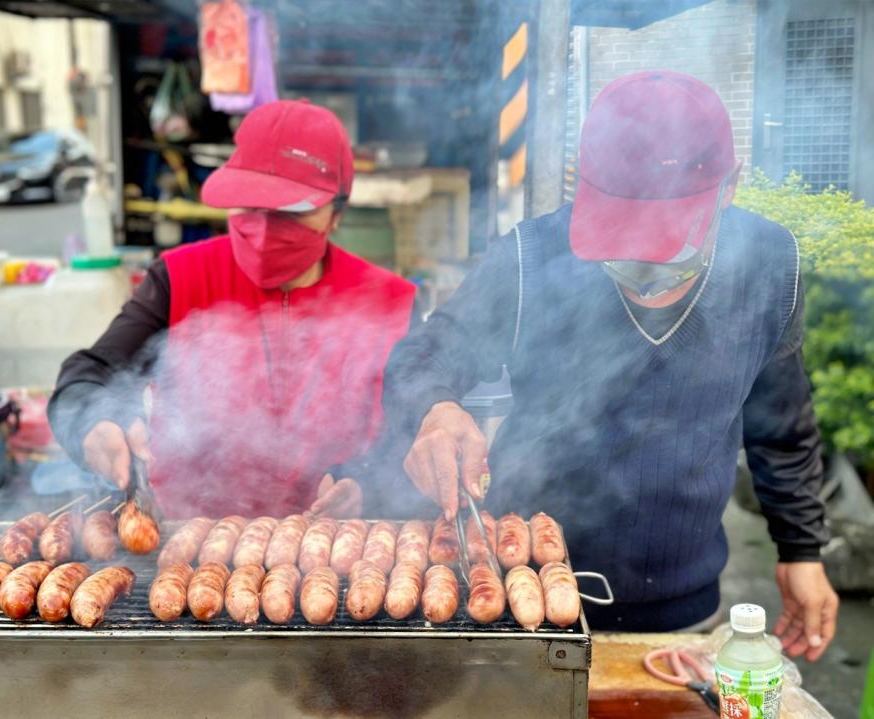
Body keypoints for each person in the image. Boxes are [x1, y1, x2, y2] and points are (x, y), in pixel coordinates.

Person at [382, 71, 838, 657]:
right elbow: (425, 352)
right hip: (528, 596)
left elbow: (782, 425)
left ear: (729, 189)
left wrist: (801, 550)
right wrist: (436, 408)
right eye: (622, 235)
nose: (640, 263)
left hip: (685, 609)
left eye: (665, 239)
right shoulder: (529, 258)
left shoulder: (768, 265)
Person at [49, 100, 416, 519]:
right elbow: (88, 374)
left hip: (336, 557)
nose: (263, 228)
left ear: (337, 213)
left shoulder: (389, 303)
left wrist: (366, 481)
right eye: (250, 205)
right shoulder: (178, 278)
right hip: (189, 549)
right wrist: (94, 422)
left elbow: (414, 433)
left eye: (291, 211)